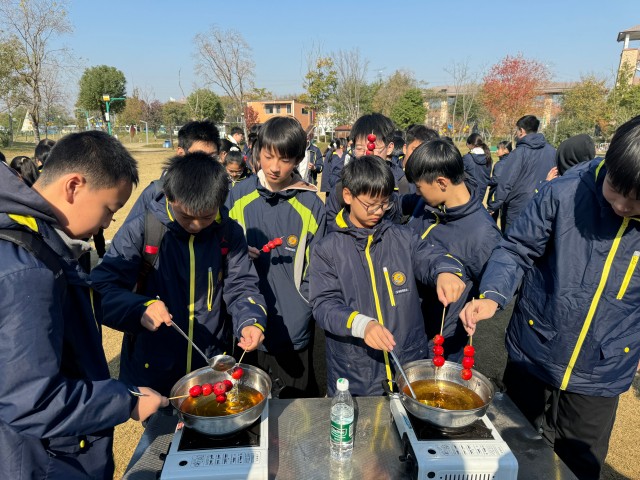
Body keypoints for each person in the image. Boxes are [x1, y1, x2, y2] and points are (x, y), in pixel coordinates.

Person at [459, 115, 640, 480]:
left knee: (580, 465)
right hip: (536, 347)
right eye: (616, 189)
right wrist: (492, 296)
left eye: (637, 200)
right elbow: (516, 249)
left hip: (602, 368)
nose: (622, 205)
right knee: (514, 451)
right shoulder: (564, 192)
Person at [0, 131, 166, 479]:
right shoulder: (30, 271)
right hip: (42, 461)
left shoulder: (39, 245)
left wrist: (135, 309)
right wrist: (126, 401)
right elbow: (33, 400)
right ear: (74, 186)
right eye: (109, 210)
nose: (107, 224)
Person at [91, 153, 267, 396]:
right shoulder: (142, 230)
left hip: (210, 362)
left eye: (206, 217)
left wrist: (250, 320)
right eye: (186, 216)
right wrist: (140, 308)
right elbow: (100, 291)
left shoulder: (229, 233)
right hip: (152, 366)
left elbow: (242, 285)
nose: (196, 225)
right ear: (170, 197)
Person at [309, 155, 467, 397]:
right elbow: (323, 305)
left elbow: (430, 256)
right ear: (348, 196)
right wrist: (361, 324)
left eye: (385, 204)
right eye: (371, 204)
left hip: (406, 360)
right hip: (356, 368)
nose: (378, 211)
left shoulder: (402, 237)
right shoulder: (327, 249)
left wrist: (446, 271)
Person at [226, 116, 326, 398]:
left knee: (296, 406)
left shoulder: (310, 205)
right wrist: (236, 252)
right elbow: (219, 248)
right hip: (246, 323)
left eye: (284, 159)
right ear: (257, 152)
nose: (274, 167)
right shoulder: (238, 196)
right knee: (248, 401)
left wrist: (303, 303)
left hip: (293, 327)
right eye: (268, 156)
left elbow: (319, 268)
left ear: (298, 160)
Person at [404, 139, 501, 360]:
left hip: (439, 337)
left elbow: (494, 282)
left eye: (419, 187)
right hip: (410, 321)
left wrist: (480, 304)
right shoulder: (429, 206)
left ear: (441, 182)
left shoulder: (482, 234)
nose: (417, 193)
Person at [326, 113, 411, 224]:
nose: (367, 154)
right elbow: (330, 223)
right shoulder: (342, 187)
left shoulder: (401, 185)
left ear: (389, 148)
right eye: (359, 148)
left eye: (372, 148)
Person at [126, 120, 221, 220]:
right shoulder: (155, 192)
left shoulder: (223, 190)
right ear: (181, 153)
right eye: (199, 157)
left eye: (213, 157)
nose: (207, 164)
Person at [487, 115, 556, 231]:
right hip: (542, 204)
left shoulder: (518, 153)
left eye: (517, 130)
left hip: (517, 207)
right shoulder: (552, 151)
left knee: (512, 238)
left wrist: (493, 205)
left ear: (521, 131)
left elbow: (506, 183)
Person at [488, 140, 513, 228]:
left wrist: (485, 181)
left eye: (498, 149)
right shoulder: (513, 161)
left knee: (491, 221)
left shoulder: (500, 164)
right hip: (509, 196)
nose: (496, 151)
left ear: (505, 150)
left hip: (497, 195)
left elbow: (496, 180)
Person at [462, 133, 492, 202]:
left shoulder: (467, 158)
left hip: (469, 192)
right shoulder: (488, 158)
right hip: (482, 192)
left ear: (470, 144)